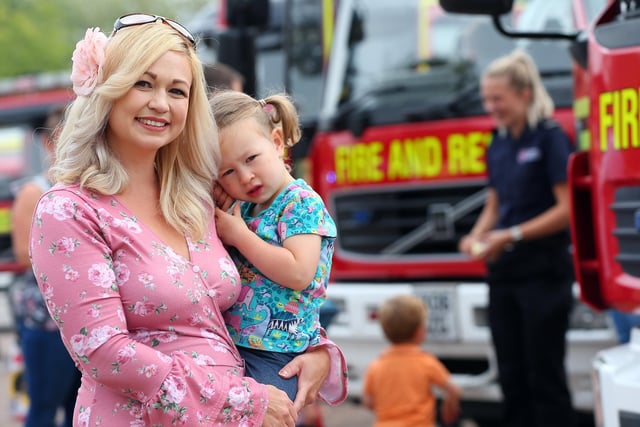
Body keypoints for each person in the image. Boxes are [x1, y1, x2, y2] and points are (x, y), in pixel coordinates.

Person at [28, 14, 346, 427]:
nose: (160, 103)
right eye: (144, 83)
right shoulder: (70, 210)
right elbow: (104, 351)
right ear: (107, 90)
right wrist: (241, 402)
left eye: (177, 90)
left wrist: (316, 351)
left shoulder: (202, 199)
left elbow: (276, 284)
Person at [458, 49, 575, 427]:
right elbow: (496, 201)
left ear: (524, 94)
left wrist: (512, 235)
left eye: (498, 99)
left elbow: (567, 208)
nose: (491, 107)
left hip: (544, 272)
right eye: (487, 98)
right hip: (504, 274)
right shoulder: (499, 142)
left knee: (544, 374)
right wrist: (476, 235)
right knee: (510, 373)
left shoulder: (551, 138)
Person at [209, 90, 337, 403]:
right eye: (228, 172)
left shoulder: (300, 203)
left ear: (277, 142)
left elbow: (299, 272)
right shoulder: (246, 208)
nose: (246, 176)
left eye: (251, 159)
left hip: (279, 352)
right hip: (236, 344)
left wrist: (239, 236)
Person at [9, 104, 81, 427]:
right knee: (44, 405)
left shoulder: (87, 186)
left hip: (82, 318)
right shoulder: (34, 191)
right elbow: (24, 255)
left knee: (78, 407)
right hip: (46, 320)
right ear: (48, 143)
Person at [362, 294, 461, 427]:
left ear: (385, 331)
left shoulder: (375, 366)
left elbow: (368, 402)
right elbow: (453, 390)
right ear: (420, 331)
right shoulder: (426, 362)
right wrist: (448, 409)